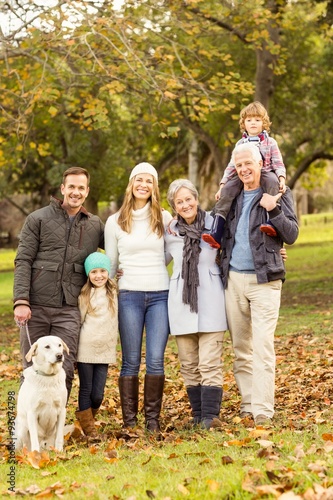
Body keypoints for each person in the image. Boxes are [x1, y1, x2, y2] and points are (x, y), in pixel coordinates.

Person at [220, 142, 298, 426]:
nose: (243, 170)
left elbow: (291, 234)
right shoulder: (232, 196)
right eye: (238, 165)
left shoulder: (278, 192)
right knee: (241, 348)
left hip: (265, 280)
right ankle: (248, 404)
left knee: (263, 346)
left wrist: (274, 211)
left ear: (260, 163)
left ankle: (264, 411)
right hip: (234, 280)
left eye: (248, 164)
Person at [13, 167, 105, 399]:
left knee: (64, 370)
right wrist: (21, 301)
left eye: (81, 188)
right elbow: (23, 259)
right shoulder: (38, 219)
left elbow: (122, 242)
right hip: (35, 306)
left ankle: (55, 430)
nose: (76, 192)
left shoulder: (94, 224)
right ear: (63, 188)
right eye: (71, 187)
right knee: (32, 369)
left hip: (69, 309)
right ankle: (25, 430)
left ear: (87, 191)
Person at [104, 162, 172, 433]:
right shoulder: (115, 221)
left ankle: (152, 421)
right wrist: (114, 279)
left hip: (160, 295)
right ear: (131, 184)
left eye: (149, 181)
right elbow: (111, 262)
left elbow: (170, 252)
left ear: (155, 186)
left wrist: (156, 266)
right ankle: (130, 422)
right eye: (139, 180)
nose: (143, 185)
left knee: (156, 358)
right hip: (129, 294)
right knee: (130, 359)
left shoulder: (164, 218)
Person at [164, 179, 228, 430]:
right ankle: (198, 415)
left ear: (196, 199)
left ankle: (210, 418)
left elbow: (234, 245)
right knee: (189, 364)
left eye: (188, 199)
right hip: (181, 301)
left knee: (209, 362)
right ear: (174, 206)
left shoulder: (215, 223)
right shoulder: (170, 231)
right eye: (179, 202)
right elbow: (157, 260)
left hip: (211, 297)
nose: (185, 204)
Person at [203, 101, 287, 248]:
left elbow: (278, 163)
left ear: (264, 122)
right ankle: (216, 230)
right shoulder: (240, 144)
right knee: (228, 189)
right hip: (242, 176)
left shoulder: (270, 142)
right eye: (249, 120)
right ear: (244, 123)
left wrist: (281, 178)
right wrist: (222, 184)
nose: (253, 123)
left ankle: (271, 222)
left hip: (265, 172)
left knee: (273, 182)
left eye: (257, 120)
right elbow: (231, 165)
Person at [75, 252, 118, 441]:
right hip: (86, 347)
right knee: (86, 389)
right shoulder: (85, 295)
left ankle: (86, 420)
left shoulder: (115, 291)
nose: (99, 275)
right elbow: (79, 322)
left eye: (102, 271)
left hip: (106, 348)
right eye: (94, 272)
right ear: (88, 274)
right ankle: (89, 429)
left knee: (98, 394)